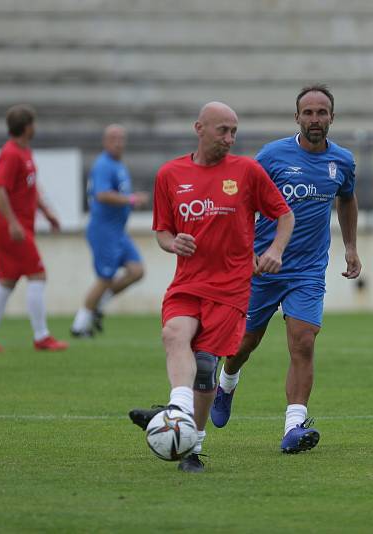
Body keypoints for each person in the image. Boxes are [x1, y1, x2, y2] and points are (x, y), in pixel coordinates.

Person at [129, 102, 294, 473]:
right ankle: (178, 413)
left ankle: (191, 445)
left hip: (231, 287)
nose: (230, 138)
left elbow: (284, 214)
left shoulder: (247, 171)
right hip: (187, 282)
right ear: (199, 128)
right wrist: (172, 243)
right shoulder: (170, 174)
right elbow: (161, 231)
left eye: (234, 131)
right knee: (174, 333)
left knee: (205, 368)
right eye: (223, 131)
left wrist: (276, 250)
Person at [210, 84, 361, 453]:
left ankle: (294, 427)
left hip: (308, 270)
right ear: (297, 117)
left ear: (331, 118)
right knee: (243, 344)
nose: (315, 119)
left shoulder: (342, 161)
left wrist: (351, 247)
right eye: (308, 113)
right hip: (263, 267)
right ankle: (227, 382)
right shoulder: (273, 156)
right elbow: (242, 202)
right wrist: (245, 251)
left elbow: (347, 199)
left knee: (303, 342)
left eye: (321, 113)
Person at [0, 104, 69, 352]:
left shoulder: (24, 152)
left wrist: (47, 213)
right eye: (33, 124)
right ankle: (42, 337)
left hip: (17, 227)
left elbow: (29, 188)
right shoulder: (11, 154)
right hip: (12, 229)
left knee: (6, 281)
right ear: (27, 127)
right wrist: (13, 223)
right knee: (38, 275)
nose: (34, 128)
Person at [71, 125, 149, 337]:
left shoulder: (118, 165)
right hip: (103, 230)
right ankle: (79, 325)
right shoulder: (104, 165)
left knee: (136, 271)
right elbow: (102, 194)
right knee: (105, 277)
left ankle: (99, 303)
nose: (118, 142)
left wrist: (130, 199)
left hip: (118, 231)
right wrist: (131, 199)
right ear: (105, 142)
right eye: (114, 138)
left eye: (121, 138)